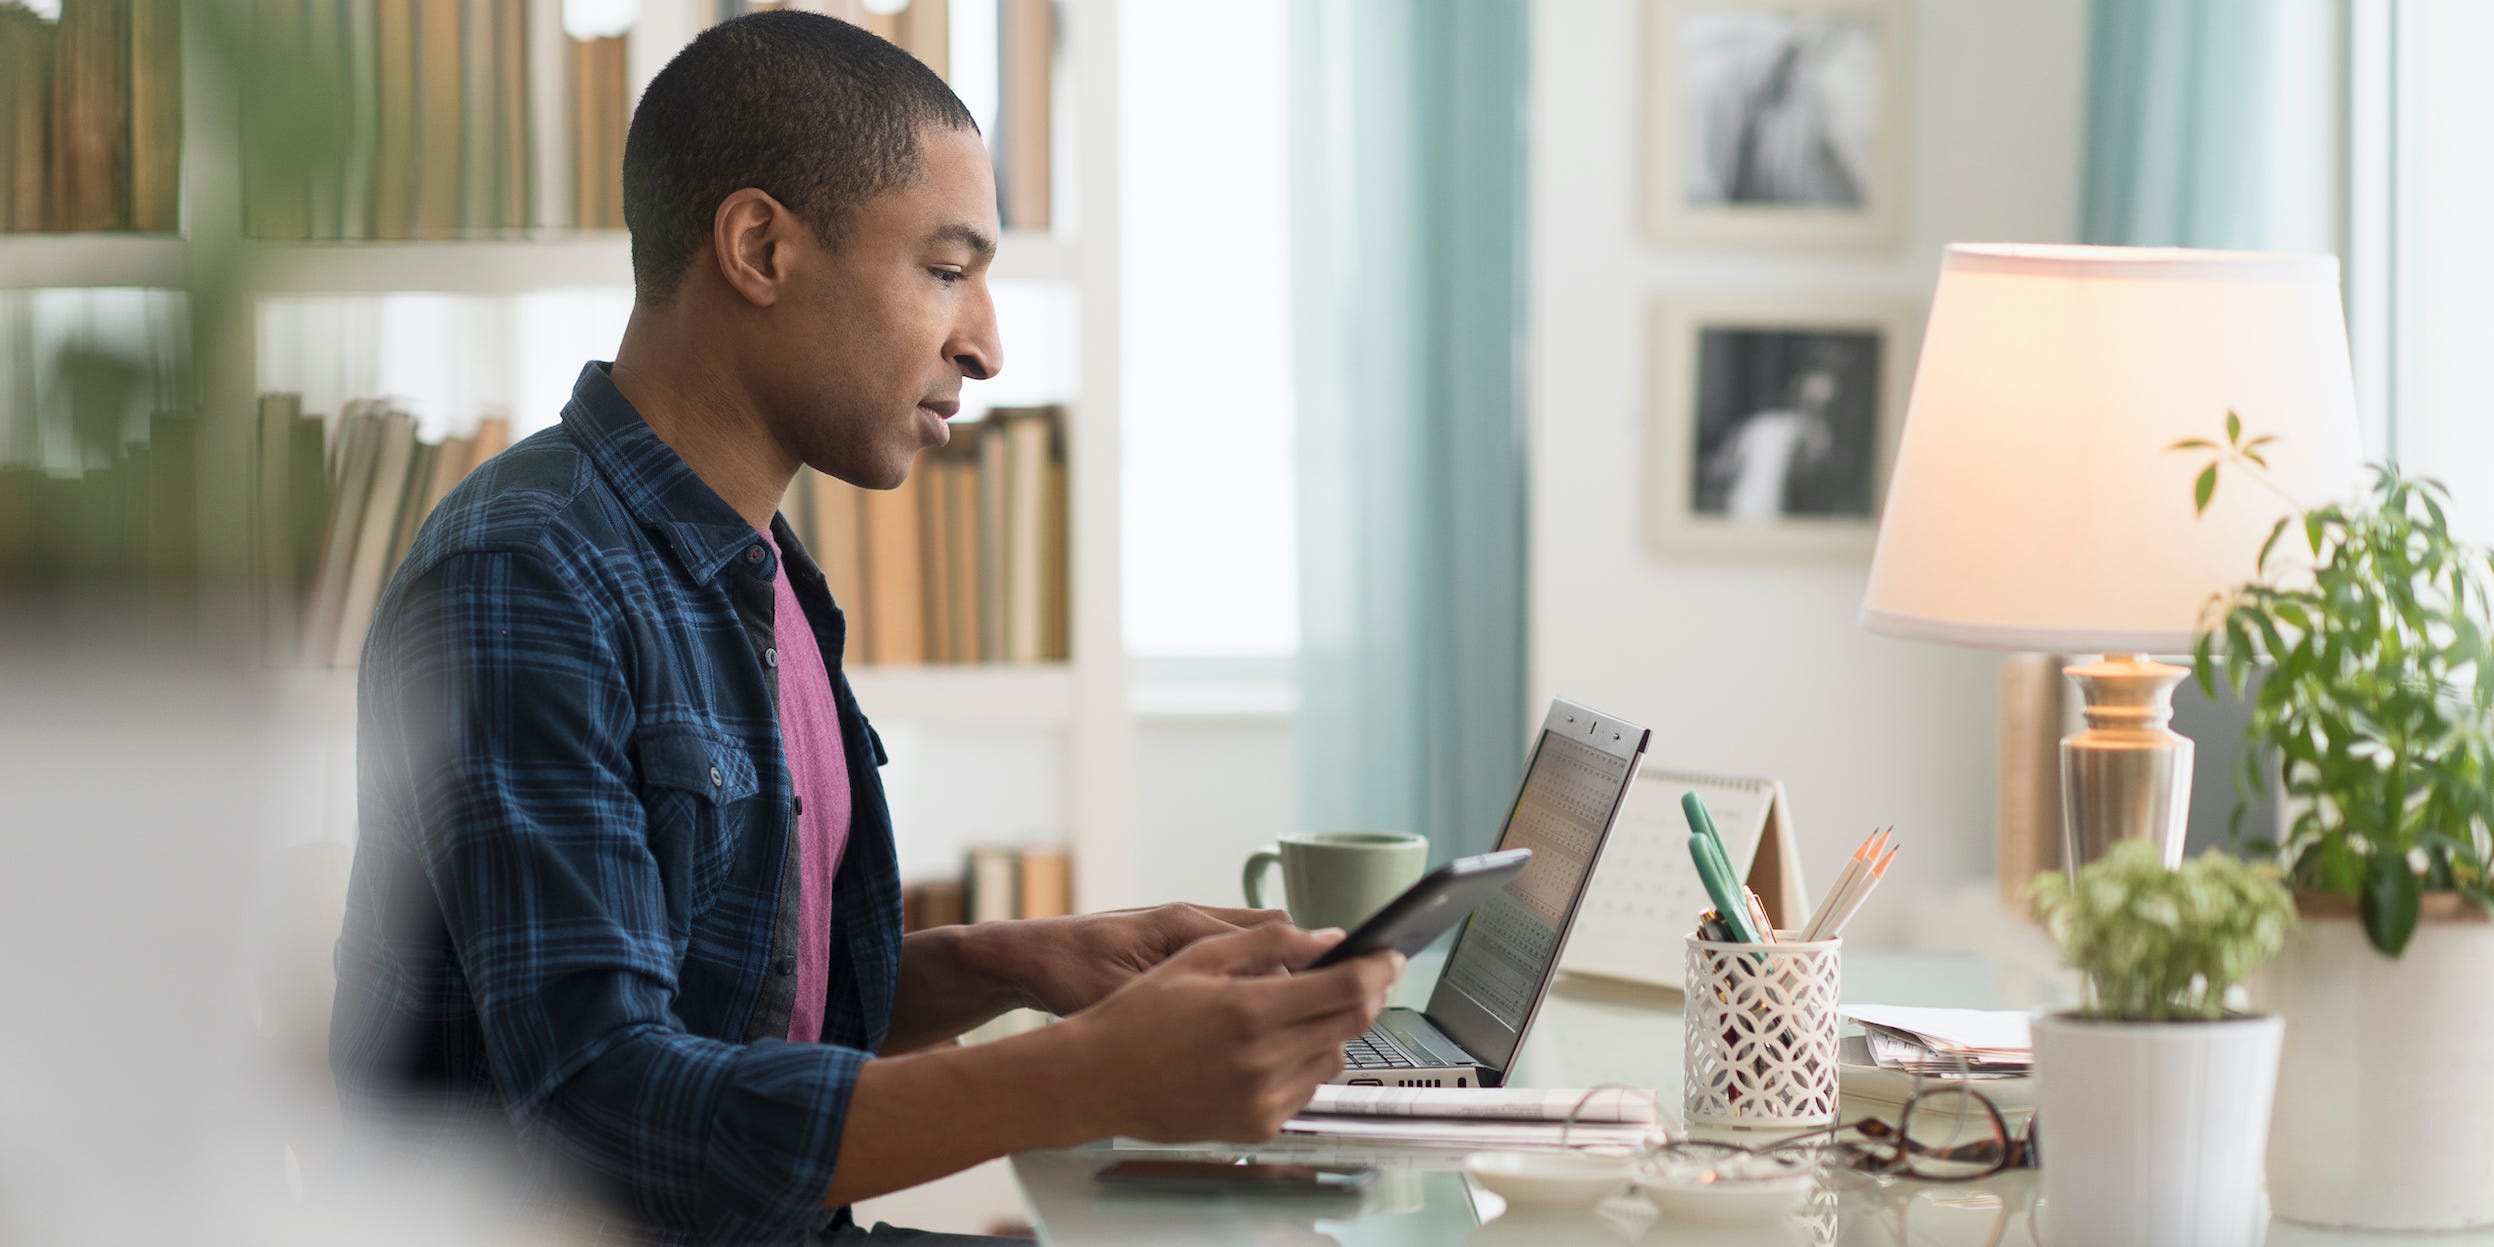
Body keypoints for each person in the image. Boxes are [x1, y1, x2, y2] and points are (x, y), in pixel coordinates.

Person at [326, 13, 1403, 1244]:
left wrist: (1022, 962)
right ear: (759, 247)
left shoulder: (759, 568)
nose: (985, 343)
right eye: (946, 270)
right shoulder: (524, 575)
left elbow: (743, 1013)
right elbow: (603, 1114)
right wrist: (1083, 1075)